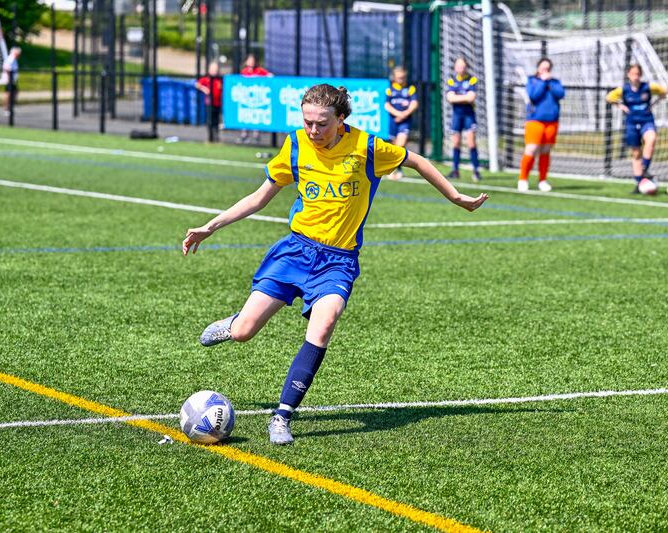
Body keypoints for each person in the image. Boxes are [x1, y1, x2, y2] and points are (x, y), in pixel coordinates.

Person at [182, 84, 488, 445]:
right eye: (308, 122)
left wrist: (455, 196)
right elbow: (261, 197)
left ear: (341, 119)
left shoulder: (366, 148)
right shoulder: (296, 145)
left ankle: (282, 416)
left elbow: (416, 160)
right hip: (295, 252)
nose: (313, 131)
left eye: (322, 124)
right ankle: (234, 324)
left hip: (338, 261)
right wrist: (211, 226)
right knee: (246, 332)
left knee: (324, 324)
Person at [606, 64, 668, 195]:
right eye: (633, 74)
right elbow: (609, 98)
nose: (636, 77)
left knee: (651, 139)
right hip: (631, 123)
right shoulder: (623, 90)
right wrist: (620, 106)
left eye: (638, 74)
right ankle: (639, 183)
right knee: (636, 153)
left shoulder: (648, 87)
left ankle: (644, 167)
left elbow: (664, 91)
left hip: (646, 120)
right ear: (628, 75)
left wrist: (654, 103)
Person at [518, 58, 565, 193]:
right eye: (543, 67)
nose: (546, 70)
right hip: (535, 120)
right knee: (531, 149)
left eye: (548, 68)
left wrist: (550, 82)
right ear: (538, 68)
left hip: (552, 121)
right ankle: (523, 179)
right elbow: (534, 95)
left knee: (545, 150)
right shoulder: (533, 81)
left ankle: (542, 180)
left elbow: (560, 94)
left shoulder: (555, 82)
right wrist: (543, 82)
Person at [445, 57, 481, 181]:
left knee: (471, 142)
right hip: (457, 115)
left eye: (463, 66)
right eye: (458, 66)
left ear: (466, 67)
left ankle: (476, 170)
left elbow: (471, 98)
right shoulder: (451, 81)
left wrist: (457, 97)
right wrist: (464, 97)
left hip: (469, 115)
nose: (461, 68)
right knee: (455, 142)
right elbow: (450, 98)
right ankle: (455, 170)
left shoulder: (472, 80)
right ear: (455, 67)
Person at [383, 66, 419, 180]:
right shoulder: (390, 89)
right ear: (394, 78)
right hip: (394, 121)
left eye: (403, 78)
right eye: (399, 78)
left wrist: (405, 114)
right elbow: (387, 105)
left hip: (405, 121)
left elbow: (414, 103)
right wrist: (398, 114)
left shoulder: (410, 89)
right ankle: (395, 169)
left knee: (401, 145)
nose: (401, 80)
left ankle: (398, 170)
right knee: (394, 146)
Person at [239, 54, 272, 144]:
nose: (251, 62)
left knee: (256, 114)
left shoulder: (259, 70)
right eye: (249, 60)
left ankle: (256, 134)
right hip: (247, 99)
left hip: (257, 99)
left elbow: (270, 76)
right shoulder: (244, 71)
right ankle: (244, 134)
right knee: (246, 115)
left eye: (252, 60)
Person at [196, 62, 223, 141]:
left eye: (216, 69)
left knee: (217, 120)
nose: (215, 71)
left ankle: (216, 136)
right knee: (210, 120)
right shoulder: (206, 78)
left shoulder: (219, 79)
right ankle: (210, 137)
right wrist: (205, 89)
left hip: (218, 103)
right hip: (209, 103)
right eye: (213, 69)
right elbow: (197, 84)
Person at [1, 47, 21, 116]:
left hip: (12, 80)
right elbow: (6, 68)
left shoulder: (14, 59)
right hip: (9, 80)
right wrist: (10, 78)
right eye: (18, 54)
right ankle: (6, 109)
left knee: (15, 92)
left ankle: (10, 107)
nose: (19, 55)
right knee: (8, 94)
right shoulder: (11, 59)